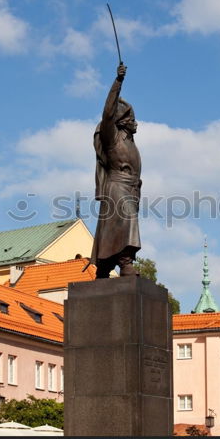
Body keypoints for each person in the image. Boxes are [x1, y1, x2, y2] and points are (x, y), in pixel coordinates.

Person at [90, 63, 142, 278]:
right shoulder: (112, 137)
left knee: (114, 227)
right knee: (125, 221)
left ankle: (104, 266)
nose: (135, 123)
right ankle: (125, 262)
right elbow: (108, 113)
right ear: (121, 121)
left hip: (131, 188)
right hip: (117, 185)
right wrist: (118, 82)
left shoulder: (130, 143)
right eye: (131, 119)